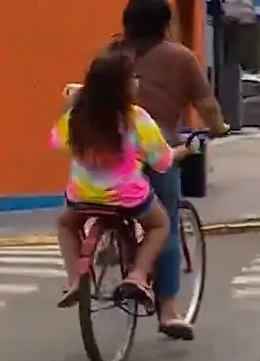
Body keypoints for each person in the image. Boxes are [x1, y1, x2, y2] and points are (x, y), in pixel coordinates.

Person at [108, 0, 230, 339]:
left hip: (107, 147)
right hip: (153, 147)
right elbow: (207, 106)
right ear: (165, 23)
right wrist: (219, 128)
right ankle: (169, 311)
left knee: (111, 203)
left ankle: (110, 245)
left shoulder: (110, 55)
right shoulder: (180, 58)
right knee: (166, 222)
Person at [52, 52, 198, 311]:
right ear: (123, 88)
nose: (137, 82)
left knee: (65, 224)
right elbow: (162, 161)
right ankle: (138, 275)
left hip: (83, 196)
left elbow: (57, 141)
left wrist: (71, 104)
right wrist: (184, 151)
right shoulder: (136, 118)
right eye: (132, 78)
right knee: (160, 225)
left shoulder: (78, 116)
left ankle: (75, 280)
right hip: (127, 197)